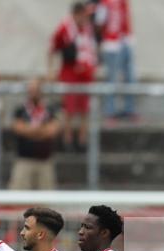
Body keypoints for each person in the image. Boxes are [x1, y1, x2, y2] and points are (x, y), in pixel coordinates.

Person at [49, 1, 97, 151]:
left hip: (86, 73)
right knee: (69, 106)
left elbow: (91, 49)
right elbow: (53, 48)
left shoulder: (88, 28)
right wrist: (50, 71)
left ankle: (82, 138)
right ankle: (67, 137)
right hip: (70, 72)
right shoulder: (65, 28)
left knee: (84, 108)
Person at [9, 78, 60, 191]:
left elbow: (53, 130)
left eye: (36, 89)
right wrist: (41, 130)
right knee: (18, 198)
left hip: (45, 161)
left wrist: (31, 130)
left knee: (47, 202)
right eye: (32, 89)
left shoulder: (50, 109)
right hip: (24, 160)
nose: (34, 92)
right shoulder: (20, 109)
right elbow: (18, 128)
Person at [94, 0, 136, 120]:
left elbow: (126, 19)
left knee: (130, 77)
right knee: (111, 78)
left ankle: (129, 108)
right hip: (111, 43)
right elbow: (99, 22)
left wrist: (128, 37)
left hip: (124, 40)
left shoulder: (123, 2)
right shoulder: (105, 3)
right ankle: (110, 111)